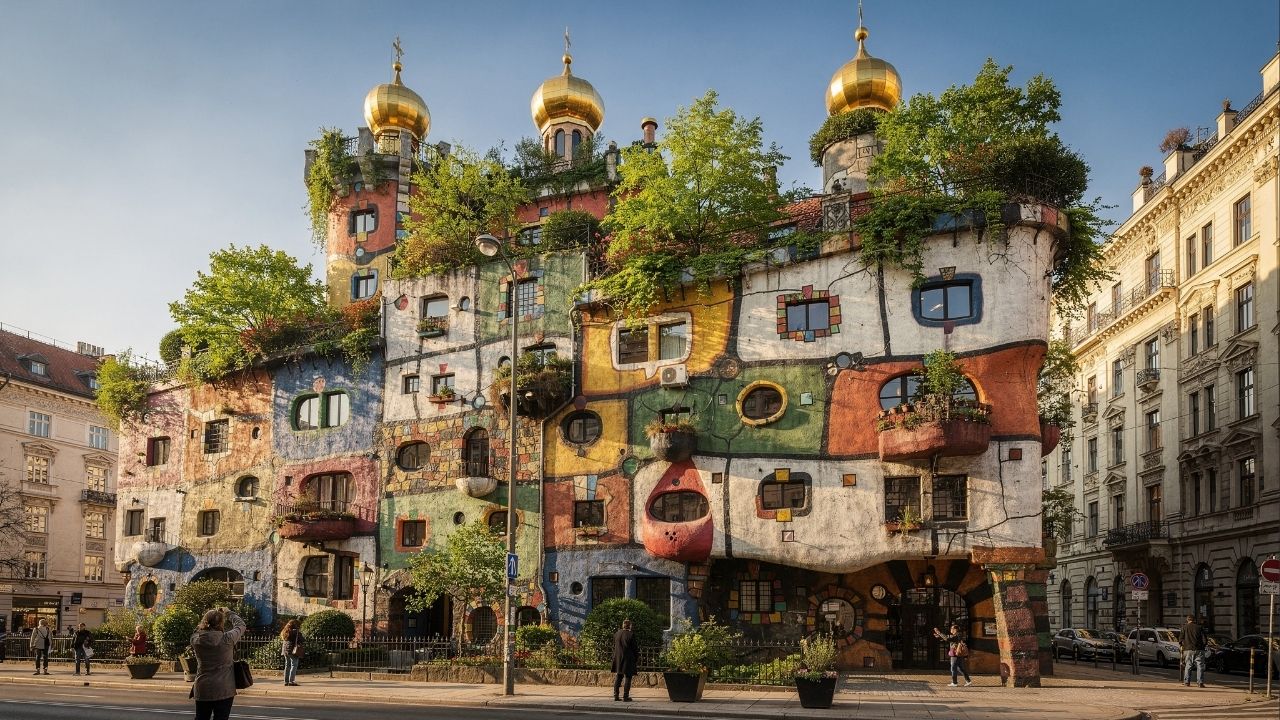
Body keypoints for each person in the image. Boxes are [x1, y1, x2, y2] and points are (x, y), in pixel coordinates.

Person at [190, 607, 246, 720]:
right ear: (221, 623)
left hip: (203, 687)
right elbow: (241, 625)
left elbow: (198, 630)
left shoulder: (195, 639)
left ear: (204, 621)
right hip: (224, 688)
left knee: (201, 717)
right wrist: (228, 612)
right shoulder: (227, 638)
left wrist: (207, 620)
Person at [934, 622, 972, 687]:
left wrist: (939, 633)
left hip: (955, 654)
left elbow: (947, 639)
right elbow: (947, 638)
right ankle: (968, 681)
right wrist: (939, 636)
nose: (951, 629)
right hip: (958, 654)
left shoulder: (957, 636)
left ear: (955, 630)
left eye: (952, 628)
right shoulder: (956, 635)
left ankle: (954, 683)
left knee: (953, 668)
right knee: (960, 668)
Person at [611, 618, 639, 702]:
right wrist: (636, 658)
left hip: (618, 658)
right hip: (628, 659)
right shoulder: (631, 634)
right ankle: (625, 696)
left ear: (623, 625)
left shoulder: (617, 633)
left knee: (619, 676)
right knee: (628, 677)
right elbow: (635, 648)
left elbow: (615, 646)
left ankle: (616, 695)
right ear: (629, 626)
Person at [1181, 614, 1207, 688]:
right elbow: (1204, 639)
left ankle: (1187, 682)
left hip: (1188, 649)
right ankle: (1200, 683)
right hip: (1199, 649)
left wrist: (1183, 646)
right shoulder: (1199, 627)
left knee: (1188, 665)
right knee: (1200, 666)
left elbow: (1180, 639)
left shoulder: (1184, 627)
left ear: (1187, 620)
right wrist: (1203, 646)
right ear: (1194, 620)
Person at [279, 619, 302, 686]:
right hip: (292, 650)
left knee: (287, 665)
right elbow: (302, 639)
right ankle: (291, 681)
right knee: (294, 665)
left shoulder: (285, 631)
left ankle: (286, 681)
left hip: (285, 651)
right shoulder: (295, 632)